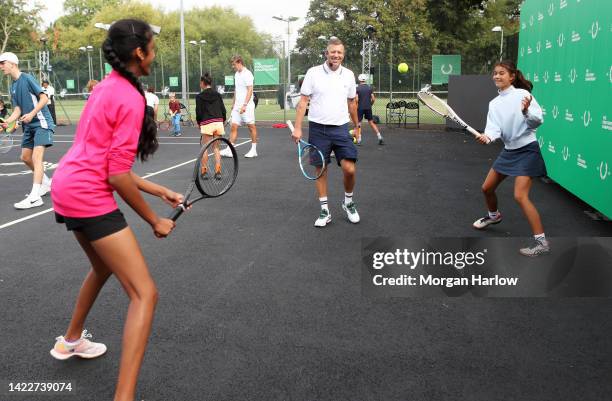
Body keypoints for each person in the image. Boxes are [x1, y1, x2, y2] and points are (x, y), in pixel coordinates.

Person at [49, 19, 183, 401]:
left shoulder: (107, 86)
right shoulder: (128, 96)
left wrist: (158, 190)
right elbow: (116, 176)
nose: (154, 55)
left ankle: (70, 341)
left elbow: (103, 160)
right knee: (145, 294)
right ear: (138, 53)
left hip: (67, 186)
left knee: (104, 266)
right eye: (152, 49)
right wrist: (154, 220)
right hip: (87, 193)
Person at [472, 60, 549, 257]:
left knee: (520, 196)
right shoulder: (494, 103)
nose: (497, 76)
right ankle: (494, 216)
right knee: (486, 188)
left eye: (501, 73)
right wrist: (487, 137)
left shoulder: (523, 95)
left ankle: (541, 243)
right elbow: (493, 129)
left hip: (527, 150)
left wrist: (525, 111)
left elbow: (537, 120)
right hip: (509, 151)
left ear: (512, 76)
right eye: (495, 73)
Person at [292, 38, 360, 227]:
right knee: (321, 169)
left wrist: (357, 125)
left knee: (349, 168)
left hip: (341, 129)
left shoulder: (348, 75)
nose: (336, 55)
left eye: (339, 52)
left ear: (343, 55)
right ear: (326, 53)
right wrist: (297, 128)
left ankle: (348, 203)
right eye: (333, 52)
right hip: (317, 129)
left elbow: (351, 103)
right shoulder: (313, 73)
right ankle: (325, 210)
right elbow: (303, 101)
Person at [0, 51, 55, 209]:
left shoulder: (27, 78)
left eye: (3, 63)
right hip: (29, 124)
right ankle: (45, 183)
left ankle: (35, 197)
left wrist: (31, 114)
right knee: (25, 157)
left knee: (37, 158)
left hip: (42, 122)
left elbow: (44, 98)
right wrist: (7, 122)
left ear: (13, 63)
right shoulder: (13, 85)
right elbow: (17, 109)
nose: (1, 66)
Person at [220, 55, 258, 158]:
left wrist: (244, 105)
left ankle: (254, 150)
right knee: (233, 127)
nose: (233, 66)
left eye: (234, 64)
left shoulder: (248, 74)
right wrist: (233, 104)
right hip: (237, 106)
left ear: (239, 62)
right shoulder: (236, 74)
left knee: (251, 127)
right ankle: (230, 150)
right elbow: (236, 90)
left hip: (247, 106)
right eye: (232, 65)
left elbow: (250, 90)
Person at [195, 72, 226, 178]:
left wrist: (199, 123)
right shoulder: (218, 95)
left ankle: (204, 172)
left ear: (203, 83)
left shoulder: (199, 96)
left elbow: (199, 112)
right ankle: (218, 171)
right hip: (218, 122)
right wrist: (223, 120)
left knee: (205, 148)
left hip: (207, 122)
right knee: (216, 148)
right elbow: (223, 109)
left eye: (200, 82)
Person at [355, 73, 384, 145]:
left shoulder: (357, 88)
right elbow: (373, 99)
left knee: (358, 124)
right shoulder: (369, 88)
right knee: (371, 122)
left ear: (359, 79)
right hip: (368, 107)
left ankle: (359, 140)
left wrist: (357, 106)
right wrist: (370, 104)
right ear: (365, 80)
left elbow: (356, 99)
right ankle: (379, 137)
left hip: (360, 108)